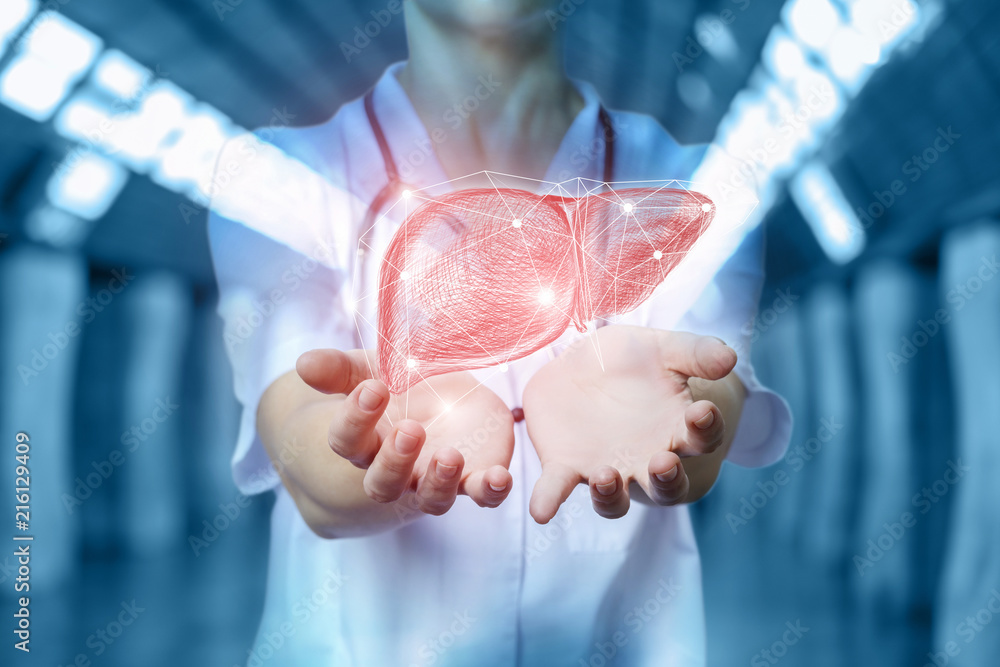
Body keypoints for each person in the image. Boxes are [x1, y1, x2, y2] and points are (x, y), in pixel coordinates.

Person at [208, 1, 792, 664]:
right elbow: (300, 433)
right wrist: (374, 453)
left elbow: (715, 391)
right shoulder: (281, 177)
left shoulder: (695, 184)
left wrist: (686, 422)